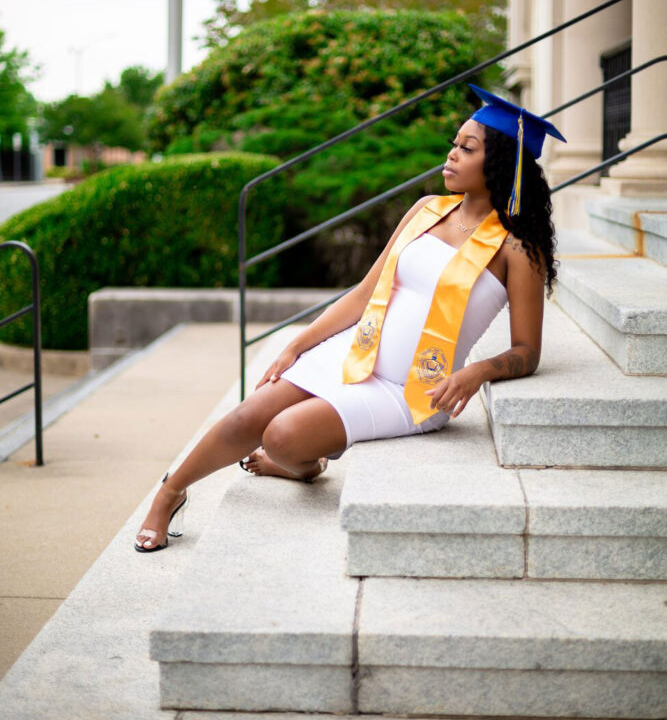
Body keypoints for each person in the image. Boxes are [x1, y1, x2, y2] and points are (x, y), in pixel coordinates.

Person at [135, 86, 565, 552]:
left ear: (501, 162)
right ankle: (168, 494)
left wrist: (477, 371)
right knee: (248, 414)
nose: (451, 155)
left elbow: (528, 351)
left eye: (467, 148)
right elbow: (365, 293)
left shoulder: (518, 249)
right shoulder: (426, 211)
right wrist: (298, 344)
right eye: (453, 143)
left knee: (280, 435)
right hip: (355, 351)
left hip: (410, 392)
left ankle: (300, 463)